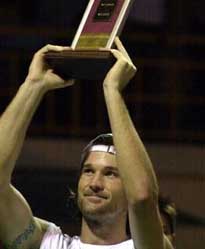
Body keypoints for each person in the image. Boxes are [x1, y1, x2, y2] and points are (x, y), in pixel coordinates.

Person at [0, 38, 173, 249]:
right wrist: (33, 85)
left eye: (111, 173)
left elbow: (143, 197)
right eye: (89, 171)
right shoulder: (46, 242)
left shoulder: (147, 245)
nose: (95, 183)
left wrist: (112, 90)